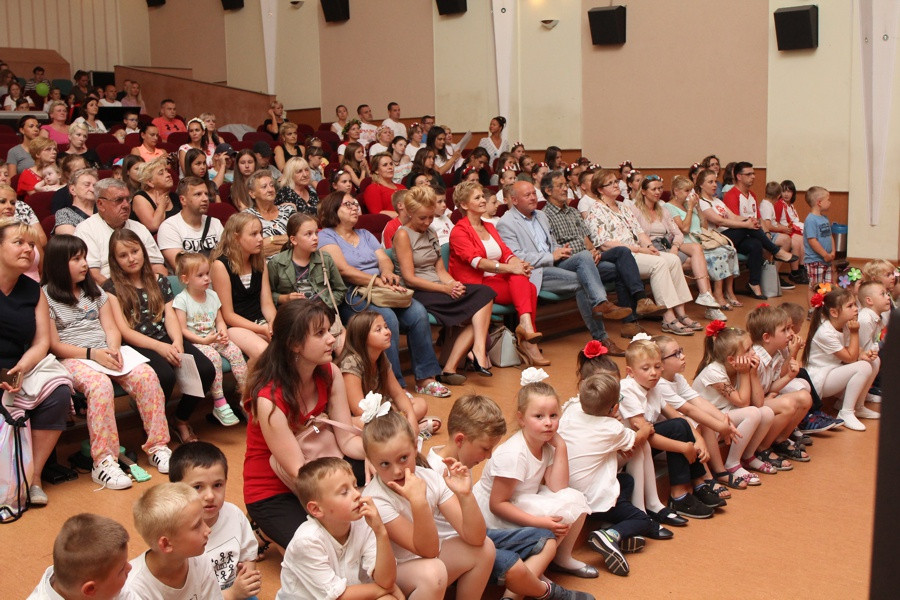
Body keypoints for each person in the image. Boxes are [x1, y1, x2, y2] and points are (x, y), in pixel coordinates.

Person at [427, 395, 590, 600]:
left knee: (546, 539)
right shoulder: (435, 474)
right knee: (514, 567)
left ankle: (524, 592)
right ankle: (549, 593)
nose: (488, 456)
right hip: (457, 548)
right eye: (485, 448)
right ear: (460, 440)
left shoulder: (461, 464)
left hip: (477, 536)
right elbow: (471, 535)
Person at [43, 234, 171, 486]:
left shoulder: (94, 291)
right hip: (75, 356)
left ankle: (158, 447)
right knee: (99, 386)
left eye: (84, 257)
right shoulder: (46, 296)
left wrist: (112, 349)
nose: (84, 264)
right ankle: (104, 462)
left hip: (106, 351)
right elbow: (54, 345)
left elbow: (111, 328)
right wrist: (93, 355)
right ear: (58, 264)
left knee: (147, 376)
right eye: (76, 259)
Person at [242, 300, 365, 549]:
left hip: (318, 460)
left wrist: (381, 449)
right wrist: (345, 499)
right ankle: (262, 528)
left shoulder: (330, 371)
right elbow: (299, 472)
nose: (331, 339)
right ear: (294, 344)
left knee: (387, 472)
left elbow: (346, 441)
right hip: (273, 487)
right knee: (319, 546)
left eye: (329, 330)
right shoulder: (269, 399)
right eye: (320, 333)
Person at [318, 191, 449, 397]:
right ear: (333, 209)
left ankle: (425, 378)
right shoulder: (326, 235)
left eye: (355, 203)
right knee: (386, 319)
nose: (354, 207)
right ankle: (394, 385)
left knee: (418, 312)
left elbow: (384, 260)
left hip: (381, 289)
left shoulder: (364, 234)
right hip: (353, 294)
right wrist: (376, 281)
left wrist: (387, 274)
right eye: (348, 205)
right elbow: (343, 269)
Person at [361, 407, 494, 599]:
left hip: (427, 562)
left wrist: (465, 496)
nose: (397, 470)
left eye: (403, 458)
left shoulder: (430, 477)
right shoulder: (377, 499)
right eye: (385, 464)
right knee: (433, 573)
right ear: (371, 461)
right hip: (392, 575)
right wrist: (419, 502)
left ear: (415, 447)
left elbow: (476, 537)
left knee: (485, 548)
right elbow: (428, 551)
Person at [471, 381, 595, 579]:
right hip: (495, 514)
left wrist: (560, 446)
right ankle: (535, 568)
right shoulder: (514, 454)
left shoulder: (545, 444)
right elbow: (497, 504)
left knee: (575, 498)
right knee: (558, 513)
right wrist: (540, 522)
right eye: (539, 416)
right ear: (521, 419)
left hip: (522, 500)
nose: (548, 422)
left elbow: (558, 487)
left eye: (553, 416)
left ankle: (560, 558)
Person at [103, 229, 218, 440]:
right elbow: (125, 331)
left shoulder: (159, 279)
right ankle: (154, 422)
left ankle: (180, 419)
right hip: (137, 344)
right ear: (115, 260)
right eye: (123, 255)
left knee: (205, 369)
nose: (131, 258)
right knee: (163, 375)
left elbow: (170, 315)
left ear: (143, 251)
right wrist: (160, 347)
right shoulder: (111, 287)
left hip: (166, 336)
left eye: (135, 251)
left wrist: (176, 342)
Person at [499, 179, 633, 355]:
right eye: (527, 195)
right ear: (514, 200)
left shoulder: (541, 216)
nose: (533, 198)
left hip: (555, 263)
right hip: (535, 271)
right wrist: (550, 256)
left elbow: (551, 244)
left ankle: (601, 303)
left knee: (585, 255)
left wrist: (559, 251)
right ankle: (602, 338)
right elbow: (516, 257)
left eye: (534, 193)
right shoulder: (505, 223)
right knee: (583, 282)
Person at [0, 219, 71, 507]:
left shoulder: (33, 290)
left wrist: (21, 368)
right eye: (19, 242)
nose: (28, 249)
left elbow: (42, 342)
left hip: (18, 367)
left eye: (31, 244)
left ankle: (34, 478)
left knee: (59, 393)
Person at [394, 186, 497, 381]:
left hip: (439, 287)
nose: (427, 222)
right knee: (475, 311)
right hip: (418, 291)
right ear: (409, 213)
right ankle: (456, 364)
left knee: (485, 294)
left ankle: (464, 358)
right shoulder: (403, 235)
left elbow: (440, 269)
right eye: (422, 218)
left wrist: (454, 284)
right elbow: (409, 278)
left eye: (430, 217)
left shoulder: (431, 231)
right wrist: (445, 288)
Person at [559, 374, 656, 575]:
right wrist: (646, 428)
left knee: (627, 481)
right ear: (614, 408)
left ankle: (612, 527)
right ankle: (610, 535)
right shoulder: (611, 427)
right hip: (592, 501)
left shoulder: (571, 411)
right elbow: (636, 440)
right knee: (643, 521)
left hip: (568, 490)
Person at [586, 170, 698, 336]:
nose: (616, 185)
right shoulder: (595, 211)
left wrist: (649, 246)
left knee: (673, 260)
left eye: (616, 181)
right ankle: (668, 318)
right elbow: (604, 244)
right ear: (600, 190)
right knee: (659, 263)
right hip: (624, 255)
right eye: (610, 183)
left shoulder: (623, 207)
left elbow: (639, 232)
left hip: (638, 250)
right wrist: (640, 249)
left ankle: (680, 313)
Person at [449, 181, 547, 365]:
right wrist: (511, 268)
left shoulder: (489, 227)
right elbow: (476, 262)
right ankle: (527, 339)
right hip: (476, 285)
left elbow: (507, 253)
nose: (483, 200)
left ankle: (526, 328)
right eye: (477, 198)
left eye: (482, 196)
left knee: (525, 281)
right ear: (464, 205)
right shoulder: (458, 231)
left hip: (496, 280)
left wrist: (519, 263)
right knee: (529, 287)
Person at [619, 340, 717, 521]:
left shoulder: (654, 387)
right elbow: (645, 437)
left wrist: (699, 440)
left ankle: (698, 484)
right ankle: (679, 495)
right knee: (678, 429)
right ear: (630, 372)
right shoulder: (627, 390)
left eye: (657, 366)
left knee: (680, 425)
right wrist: (683, 447)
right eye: (646, 368)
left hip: (646, 445)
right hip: (630, 452)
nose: (654, 373)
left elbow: (677, 417)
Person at [277, 457, 401, 600]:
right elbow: (338, 597)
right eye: (344, 492)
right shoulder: (307, 542)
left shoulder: (363, 521)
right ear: (316, 509)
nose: (357, 494)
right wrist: (386, 589)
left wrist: (381, 532)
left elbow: (386, 580)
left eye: (355, 486)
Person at [651, 334, 741, 501]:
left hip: (678, 436)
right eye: (676, 354)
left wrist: (723, 420)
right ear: (660, 364)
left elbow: (697, 400)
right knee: (696, 422)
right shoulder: (661, 385)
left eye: (681, 351)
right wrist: (721, 427)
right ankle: (705, 478)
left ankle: (718, 472)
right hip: (667, 445)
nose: (683, 356)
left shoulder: (677, 378)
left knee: (704, 420)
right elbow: (689, 410)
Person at [168, 442, 261, 600]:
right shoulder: (173, 533)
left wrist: (247, 580)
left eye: (217, 485)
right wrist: (230, 595)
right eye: (198, 487)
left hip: (235, 591)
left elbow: (248, 555)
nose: (210, 496)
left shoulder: (234, 515)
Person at [692, 323, 775, 487]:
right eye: (748, 350)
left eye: (752, 347)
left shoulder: (741, 366)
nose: (753, 353)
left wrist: (752, 373)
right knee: (752, 413)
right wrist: (745, 373)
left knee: (766, 412)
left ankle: (748, 456)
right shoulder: (714, 372)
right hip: (711, 423)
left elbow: (758, 403)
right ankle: (732, 463)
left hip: (728, 415)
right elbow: (743, 403)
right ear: (731, 359)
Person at [172, 252, 247, 428]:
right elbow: (182, 330)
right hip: (196, 342)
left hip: (214, 337)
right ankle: (219, 402)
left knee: (236, 352)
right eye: (200, 275)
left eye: (207, 274)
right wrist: (203, 341)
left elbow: (219, 320)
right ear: (185, 279)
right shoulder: (181, 300)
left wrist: (222, 332)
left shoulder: (212, 295)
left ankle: (245, 396)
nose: (206, 278)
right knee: (213, 358)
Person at [630, 175, 722, 316]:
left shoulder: (662, 210)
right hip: (650, 249)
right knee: (692, 262)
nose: (658, 192)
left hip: (667, 246)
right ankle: (686, 309)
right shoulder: (635, 210)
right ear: (643, 191)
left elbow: (678, 234)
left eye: (660, 188)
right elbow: (637, 235)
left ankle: (706, 296)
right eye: (653, 189)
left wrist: (674, 247)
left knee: (696, 255)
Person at [338, 311, 437, 437]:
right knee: (360, 424)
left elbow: (398, 394)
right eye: (378, 330)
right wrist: (392, 416)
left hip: (382, 411)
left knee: (420, 404)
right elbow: (358, 409)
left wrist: (412, 421)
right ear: (362, 337)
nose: (387, 332)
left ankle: (403, 428)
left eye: (385, 327)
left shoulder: (381, 357)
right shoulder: (351, 362)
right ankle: (401, 429)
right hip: (362, 416)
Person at [805, 288, 880, 431]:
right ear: (834, 312)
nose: (856, 309)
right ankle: (846, 412)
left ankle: (858, 406)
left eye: (855, 304)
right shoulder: (825, 332)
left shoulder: (843, 324)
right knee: (863, 367)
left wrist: (863, 354)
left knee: (874, 361)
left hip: (835, 371)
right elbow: (851, 359)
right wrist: (854, 332)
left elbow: (850, 349)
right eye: (850, 306)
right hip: (821, 379)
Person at [129, 483, 222, 598]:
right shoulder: (133, 590)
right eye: (197, 525)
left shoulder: (200, 560)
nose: (208, 530)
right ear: (166, 544)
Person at [747, 304, 813, 466]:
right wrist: (771, 395)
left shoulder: (774, 353)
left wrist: (790, 376)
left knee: (805, 397)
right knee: (787, 405)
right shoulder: (756, 358)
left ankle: (780, 440)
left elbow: (771, 385)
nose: (791, 334)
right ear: (767, 337)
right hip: (750, 405)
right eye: (785, 330)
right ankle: (762, 448)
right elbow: (752, 400)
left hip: (762, 399)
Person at [666, 174, 738, 316]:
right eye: (687, 191)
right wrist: (690, 209)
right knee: (712, 257)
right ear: (676, 191)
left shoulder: (690, 205)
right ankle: (714, 299)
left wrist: (698, 208)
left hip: (699, 242)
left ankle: (710, 299)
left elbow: (703, 226)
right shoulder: (669, 207)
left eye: (691, 191)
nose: (690, 194)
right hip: (685, 243)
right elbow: (684, 229)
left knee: (726, 251)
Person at [210, 213, 277, 360]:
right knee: (264, 352)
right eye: (253, 234)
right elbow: (228, 315)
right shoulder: (220, 266)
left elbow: (266, 304)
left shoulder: (260, 262)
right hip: (235, 327)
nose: (260, 239)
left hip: (260, 322)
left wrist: (273, 323)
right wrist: (262, 329)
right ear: (236, 237)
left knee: (294, 347)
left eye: (260, 233)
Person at [27, 513, 135, 600]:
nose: (129, 568)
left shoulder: (106, 582)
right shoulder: (105, 581)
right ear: (90, 589)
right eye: (121, 569)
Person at [157, 177, 224, 269]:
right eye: (198, 194)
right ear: (183, 200)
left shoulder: (215, 223)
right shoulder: (169, 227)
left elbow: (228, 258)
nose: (205, 199)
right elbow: (182, 268)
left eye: (206, 194)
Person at [759, 181, 803, 289]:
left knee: (793, 239)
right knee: (786, 240)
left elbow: (774, 223)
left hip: (772, 232)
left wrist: (783, 228)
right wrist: (783, 229)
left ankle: (782, 272)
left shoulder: (769, 205)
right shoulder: (767, 206)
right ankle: (774, 273)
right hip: (766, 234)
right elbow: (768, 226)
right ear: (779, 195)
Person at [243, 170, 295, 257]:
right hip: (262, 267)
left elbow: (299, 239)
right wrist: (287, 241)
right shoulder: (247, 216)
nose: (270, 189)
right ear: (252, 194)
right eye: (264, 187)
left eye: (271, 185)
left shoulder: (288, 210)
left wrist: (270, 239)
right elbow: (251, 250)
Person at [803, 186, 836, 305]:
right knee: (814, 287)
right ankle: (813, 310)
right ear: (819, 202)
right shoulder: (811, 220)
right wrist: (824, 254)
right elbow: (812, 241)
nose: (830, 202)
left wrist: (832, 252)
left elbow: (829, 236)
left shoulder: (824, 218)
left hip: (826, 259)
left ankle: (824, 308)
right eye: (828, 199)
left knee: (827, 286)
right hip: (815, 260)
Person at [131, 157, 180, 234]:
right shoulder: (140, 198)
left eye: (166, 171)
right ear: (150, 182)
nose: (168, 174)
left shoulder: (174, 196)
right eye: (161, 173)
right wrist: (162, 205)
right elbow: (154, 226)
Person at [53, 168, 98, 235]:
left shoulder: (104, 211)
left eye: (95, 186)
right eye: (87, 185)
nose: (92, 189)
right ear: (72, 190)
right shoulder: (64, 214)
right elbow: (72, 241)